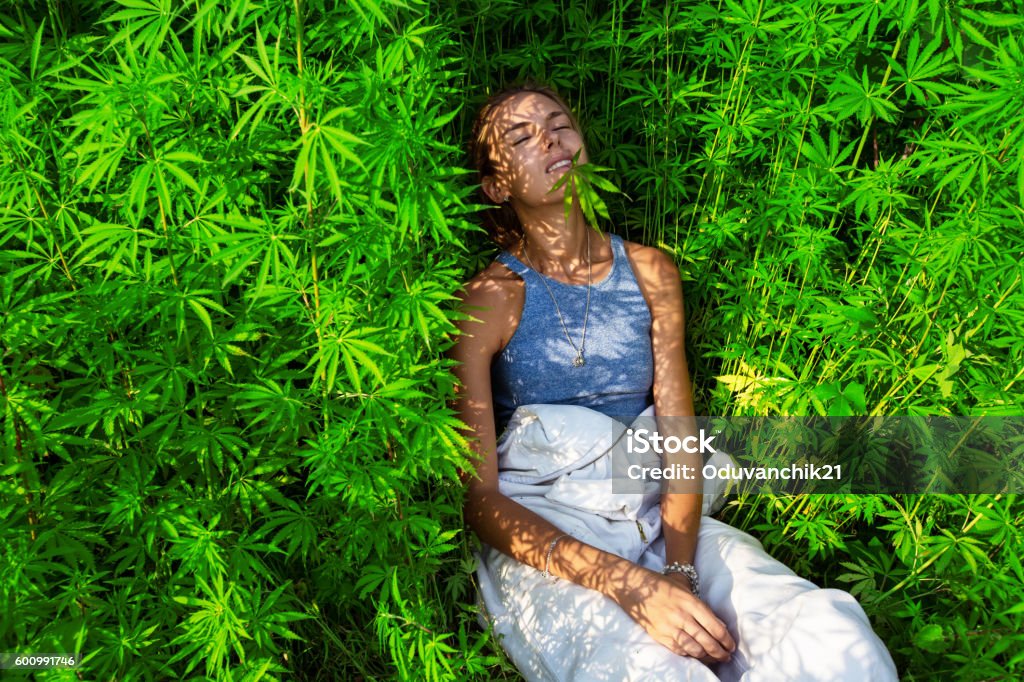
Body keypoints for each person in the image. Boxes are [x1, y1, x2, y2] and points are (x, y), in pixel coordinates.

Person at [449, 83, 898, 681]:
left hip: (656, 509)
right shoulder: (488, 300)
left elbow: (679, 438)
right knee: (652, 670)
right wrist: (626, 584)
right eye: (522, 137)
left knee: (830, 638)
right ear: (497, 186)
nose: (550, 139)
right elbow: (479, 499)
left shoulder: (649, 270)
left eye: (559, 123)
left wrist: (677, 574)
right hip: (548, 529)